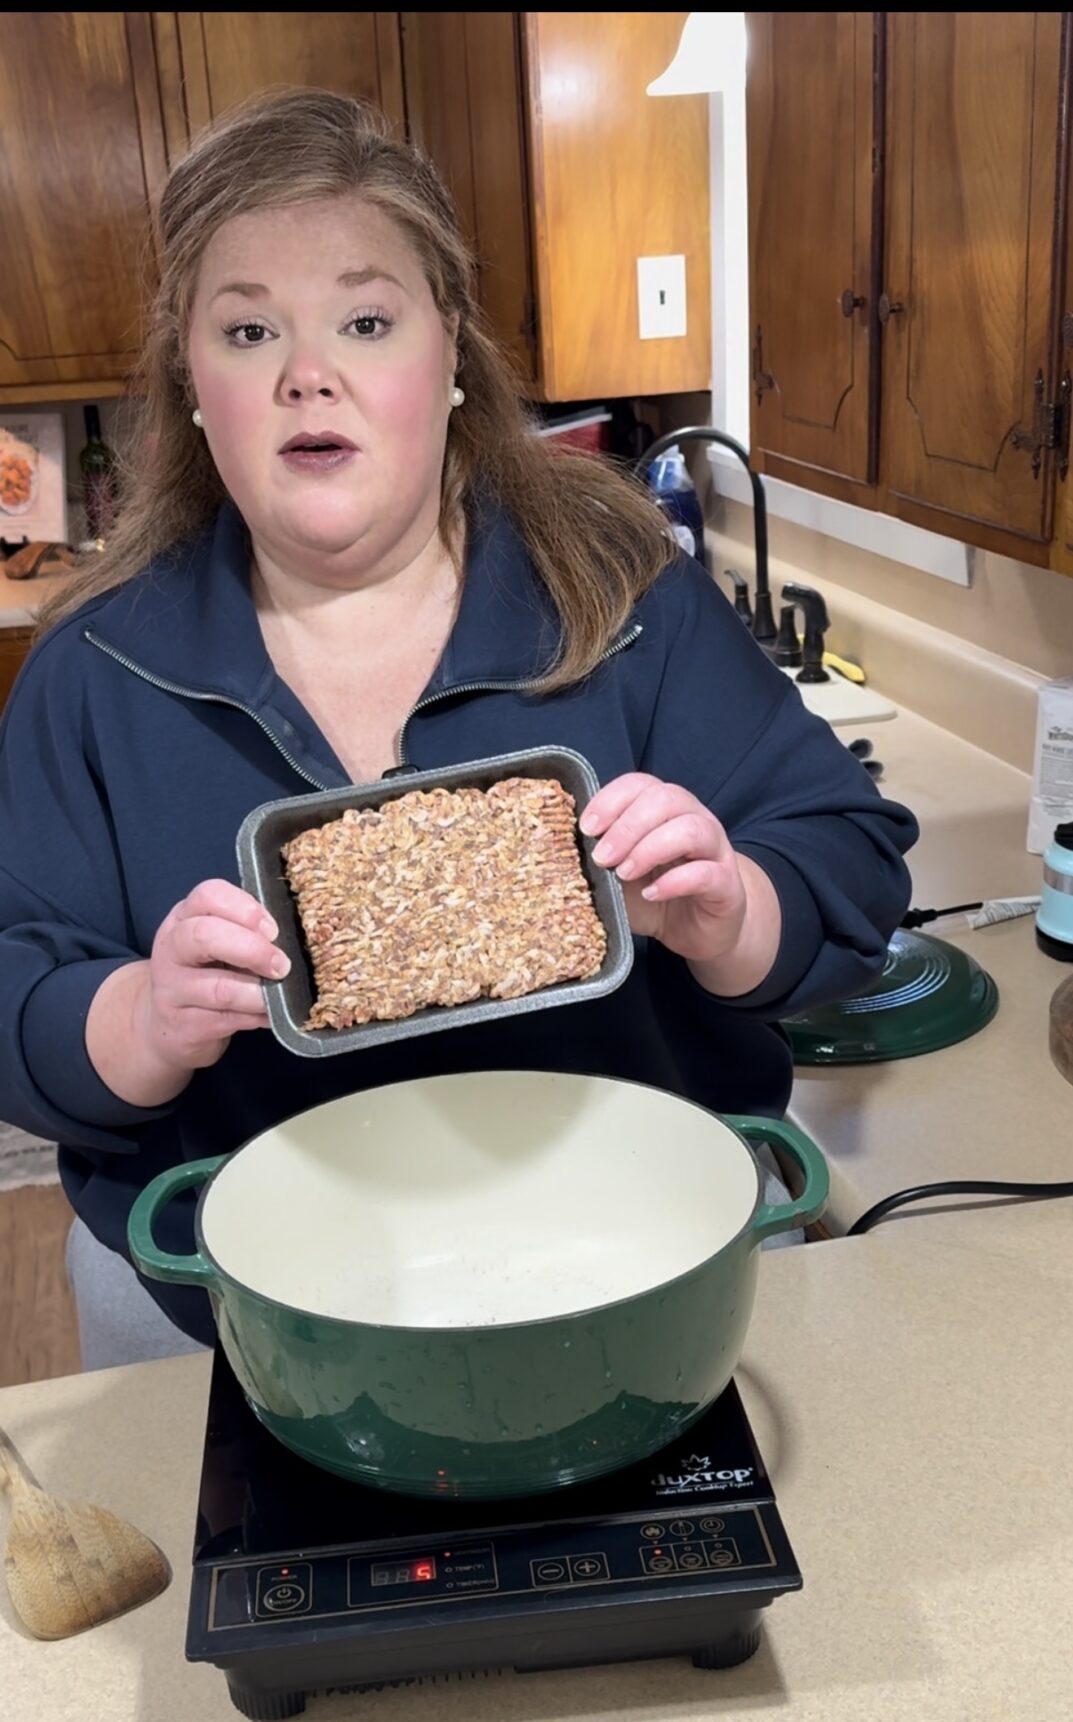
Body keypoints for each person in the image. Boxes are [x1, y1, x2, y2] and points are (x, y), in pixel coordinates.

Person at [0, 89, 916, 1363]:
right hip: (235, 1322)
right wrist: (143, 1019)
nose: (306, 371)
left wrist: (729, 910)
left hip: (630, 1273)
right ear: (194, 391)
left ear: (449, 363)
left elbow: (851, 866)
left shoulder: (620, 599)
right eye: (248, 328)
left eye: (364, 321)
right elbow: (13, 991)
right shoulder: (95, 671)